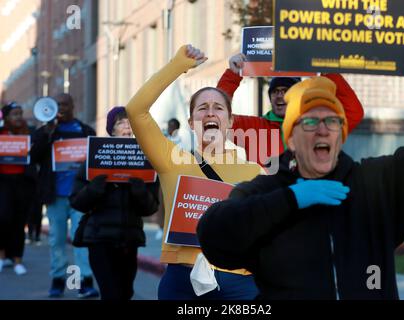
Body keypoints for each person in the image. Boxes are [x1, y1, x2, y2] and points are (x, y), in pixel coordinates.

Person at [198, 48, 404, 299]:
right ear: (291, 140)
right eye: (309, 121)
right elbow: (214, 236)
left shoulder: (374, 185)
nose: (322, 130)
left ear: (341, 134)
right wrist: (288, 200)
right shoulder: (265, 190)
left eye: (332, 121)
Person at [126, 45, 265, 300]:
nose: (210, 112)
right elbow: (136, 110)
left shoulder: (256, 172)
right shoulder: (172, 161)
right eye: (202, 108)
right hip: (183, 281)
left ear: (231, 122)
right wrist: (176, 66)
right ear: (191, 123)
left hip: (240, 284)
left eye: (218, 108)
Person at [69, 106, 160, 300]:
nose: (127, 126)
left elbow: (151, 207)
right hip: (99, 239)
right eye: (121, 122)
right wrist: (94, 189)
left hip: (129, 240)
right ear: (112, 130)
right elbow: (76, 201)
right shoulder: (94, 158)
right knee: (110, 294)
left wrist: (139, 191)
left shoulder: (145, 160)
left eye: (131, 122)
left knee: (125, 293)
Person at [216, 53, 364, 168]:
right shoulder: (254, 127)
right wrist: (233, 75)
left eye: (286, 90)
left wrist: (326, 69)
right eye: (275, 91)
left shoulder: (315, 126)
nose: (280, 96)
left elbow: (354, 112)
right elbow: (217, 119)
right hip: (266, 201)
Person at [30, 93, 99, 298]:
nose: (61, 108)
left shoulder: (86, 131)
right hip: (56, 197)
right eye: (57, 104)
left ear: (73, 106)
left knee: (80, 242)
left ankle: (82, 283)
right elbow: (32, 157)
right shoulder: (45, 132)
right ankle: (58, 280)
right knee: (56, 241)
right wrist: (47, 134)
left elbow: (96, 160)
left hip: (80, 196)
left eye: (65, 104)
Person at [0, 102, 37, 275]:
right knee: (3, 219)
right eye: (15, 114)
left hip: (23, 182)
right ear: (6, 117)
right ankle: (2, 257)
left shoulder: (29, 133)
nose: (18, 117)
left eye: (20, 113)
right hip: (3, 182)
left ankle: (17, 260)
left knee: (19, 221)